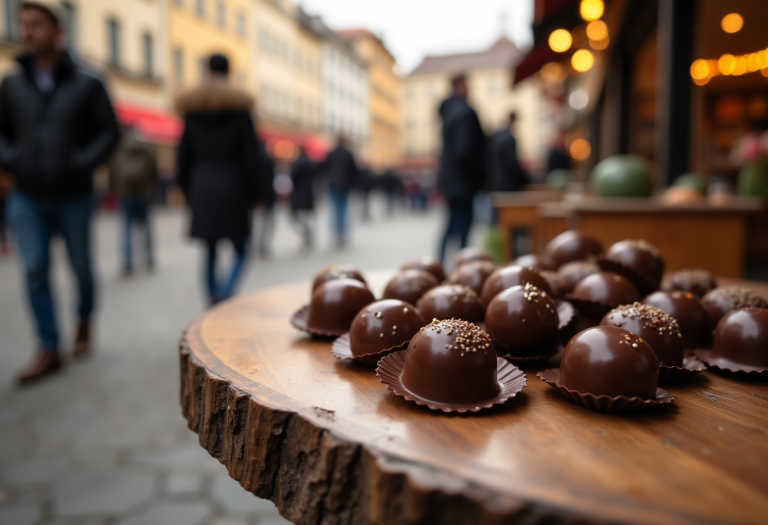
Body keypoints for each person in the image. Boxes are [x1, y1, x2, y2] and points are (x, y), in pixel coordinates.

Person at [0, 2, 119, 383]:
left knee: (81, 268)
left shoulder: (89, 80)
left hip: (75, 195)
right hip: (28, 194)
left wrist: (81, 162)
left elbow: (110, 132)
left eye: (36, 25)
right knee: (35, 269)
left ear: (58, 30)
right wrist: (12, 159)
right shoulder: (12, 82)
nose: (28, 32)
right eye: (23, 25)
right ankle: (49, 346)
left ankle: (84, 320)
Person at [175, 53, 261, 306]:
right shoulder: (240, 109)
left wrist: (187, 191)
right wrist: (255, 193)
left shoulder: (193, 110)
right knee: (242, 249)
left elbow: (183, 156)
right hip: (233, 186)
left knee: (209, 251)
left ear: (207, 71)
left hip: (202, 184)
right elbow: (251, 157)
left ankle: (213, 300)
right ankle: (225, 292)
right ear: (229, 73)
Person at [436, 73, 486, 264]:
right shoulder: (465, 112)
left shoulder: (449, 112)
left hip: (451, 179)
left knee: (450, 223)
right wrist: (481, 172)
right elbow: (465, 150)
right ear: (461, 85)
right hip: (464, 180)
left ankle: (440, 262)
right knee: (463, 226)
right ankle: (462, 267)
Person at [109, 126, 159, 274]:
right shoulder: (147, 145)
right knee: (147, 225)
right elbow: (154, 168)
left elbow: (113, 168)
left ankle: (128, 261)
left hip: (125, 192)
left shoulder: (119, 146)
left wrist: (113, 189)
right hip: (145, 191)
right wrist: (153, 187)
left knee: (127, 226)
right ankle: (149, 256)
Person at [320, 135, 358, 248]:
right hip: (345, 185)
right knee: (344, 210)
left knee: (335, 210)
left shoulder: (331, 153)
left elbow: (325, 168)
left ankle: (336, 235)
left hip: (333, 185)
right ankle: (343, 235)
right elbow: (353, 171)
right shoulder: (348, 153)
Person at [488, 112, 530, 192]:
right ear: (513, 120)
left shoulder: (496, 136)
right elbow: (512, 164)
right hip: (508, 185)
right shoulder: (509, 139)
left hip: (494, 184)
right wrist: (526, 180)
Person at [289, 146, 316, 251]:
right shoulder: (310, 163)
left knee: (297, 218)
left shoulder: (298, 163)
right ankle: (308, 235)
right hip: (309, 193)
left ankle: (307, 236)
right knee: (305, 217)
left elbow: (293, 177)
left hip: (299, 194)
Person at [252, 139, 275, 258]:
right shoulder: (266, 158)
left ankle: (256, 246)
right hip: (266, 196)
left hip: (255, 196)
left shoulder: (251, 157)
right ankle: (262, 246)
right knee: (264, 223)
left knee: (257, 223)